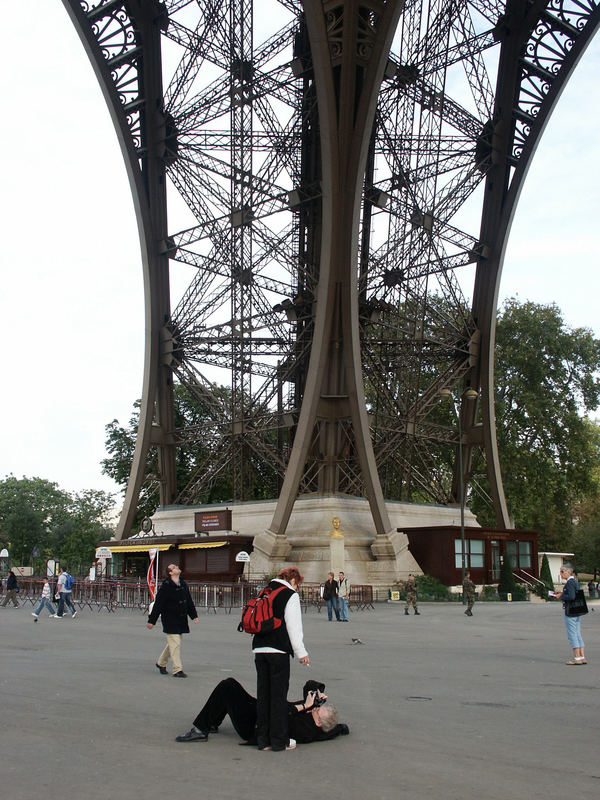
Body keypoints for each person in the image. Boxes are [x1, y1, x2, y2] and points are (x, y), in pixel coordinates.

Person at [174, 677, 349, 746]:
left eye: (318, 711)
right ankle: (212, 722)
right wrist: (317, 691)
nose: (316, 708)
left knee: (228, 687)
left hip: (253, 725)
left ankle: (201, 729)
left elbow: (281, 715)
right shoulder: (315, 718)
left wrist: (304, 706)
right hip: (260, 711)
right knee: (230, 689)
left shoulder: (306, 731)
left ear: (318, 723)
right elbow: (308, 686)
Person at [252, 566, 309, 752]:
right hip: (278, 650)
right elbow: (294, 627)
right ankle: (279, 740)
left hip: (259, 649)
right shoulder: (289, 595)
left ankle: (263, 740)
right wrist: (301, 653)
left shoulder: (264, 592)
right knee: (278, 696)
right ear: (293, 581)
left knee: (263, 695)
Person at [147, 563, 198, 677]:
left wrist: (193, 615)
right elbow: (158, 604)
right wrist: (152, 620)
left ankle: (161, 663)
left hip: (181, 618)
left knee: (174, 643)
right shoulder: (166, 586)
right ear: (170, 573)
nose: (177, 567)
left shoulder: (183, 584)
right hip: (170, 618)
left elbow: (188, 600)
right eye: (174, 567)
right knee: (175, 644)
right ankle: (177, 669)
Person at [551, 563, 587, 665]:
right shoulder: (574, 582)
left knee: (572, 634)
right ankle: (582, 656)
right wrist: (562, 594)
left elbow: (571, 597)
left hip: (570, 611)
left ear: (568, 572)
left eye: (562, 572)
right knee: (577, 633)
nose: (561, 574)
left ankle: (577, 658)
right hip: (577, 610)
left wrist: (561, 597)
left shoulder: (569, 583)